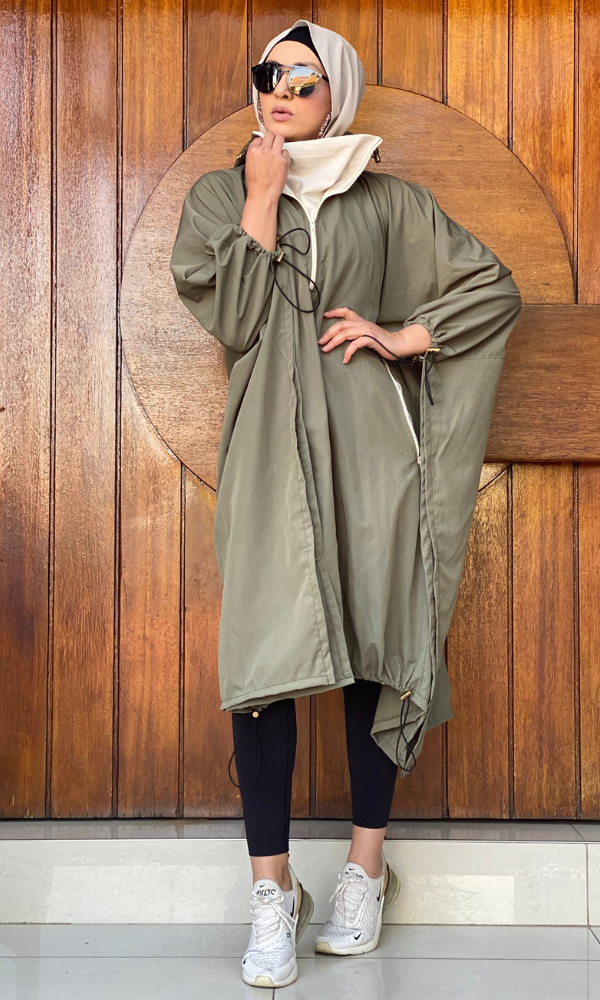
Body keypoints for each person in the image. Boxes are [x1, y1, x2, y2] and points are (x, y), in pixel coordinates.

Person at [170, 19, 522, 990]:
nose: (280, 93)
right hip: (268, 456)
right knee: (261, 664)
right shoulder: (221, 196)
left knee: (374, 646)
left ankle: (366, 869)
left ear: (340, 96)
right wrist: (262, 195)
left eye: (305, 80)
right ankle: (273, 892)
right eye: (269, 75)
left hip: (373, 456)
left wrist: (406, 335)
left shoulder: (388, 199)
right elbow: (238, 318)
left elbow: (491, 290)